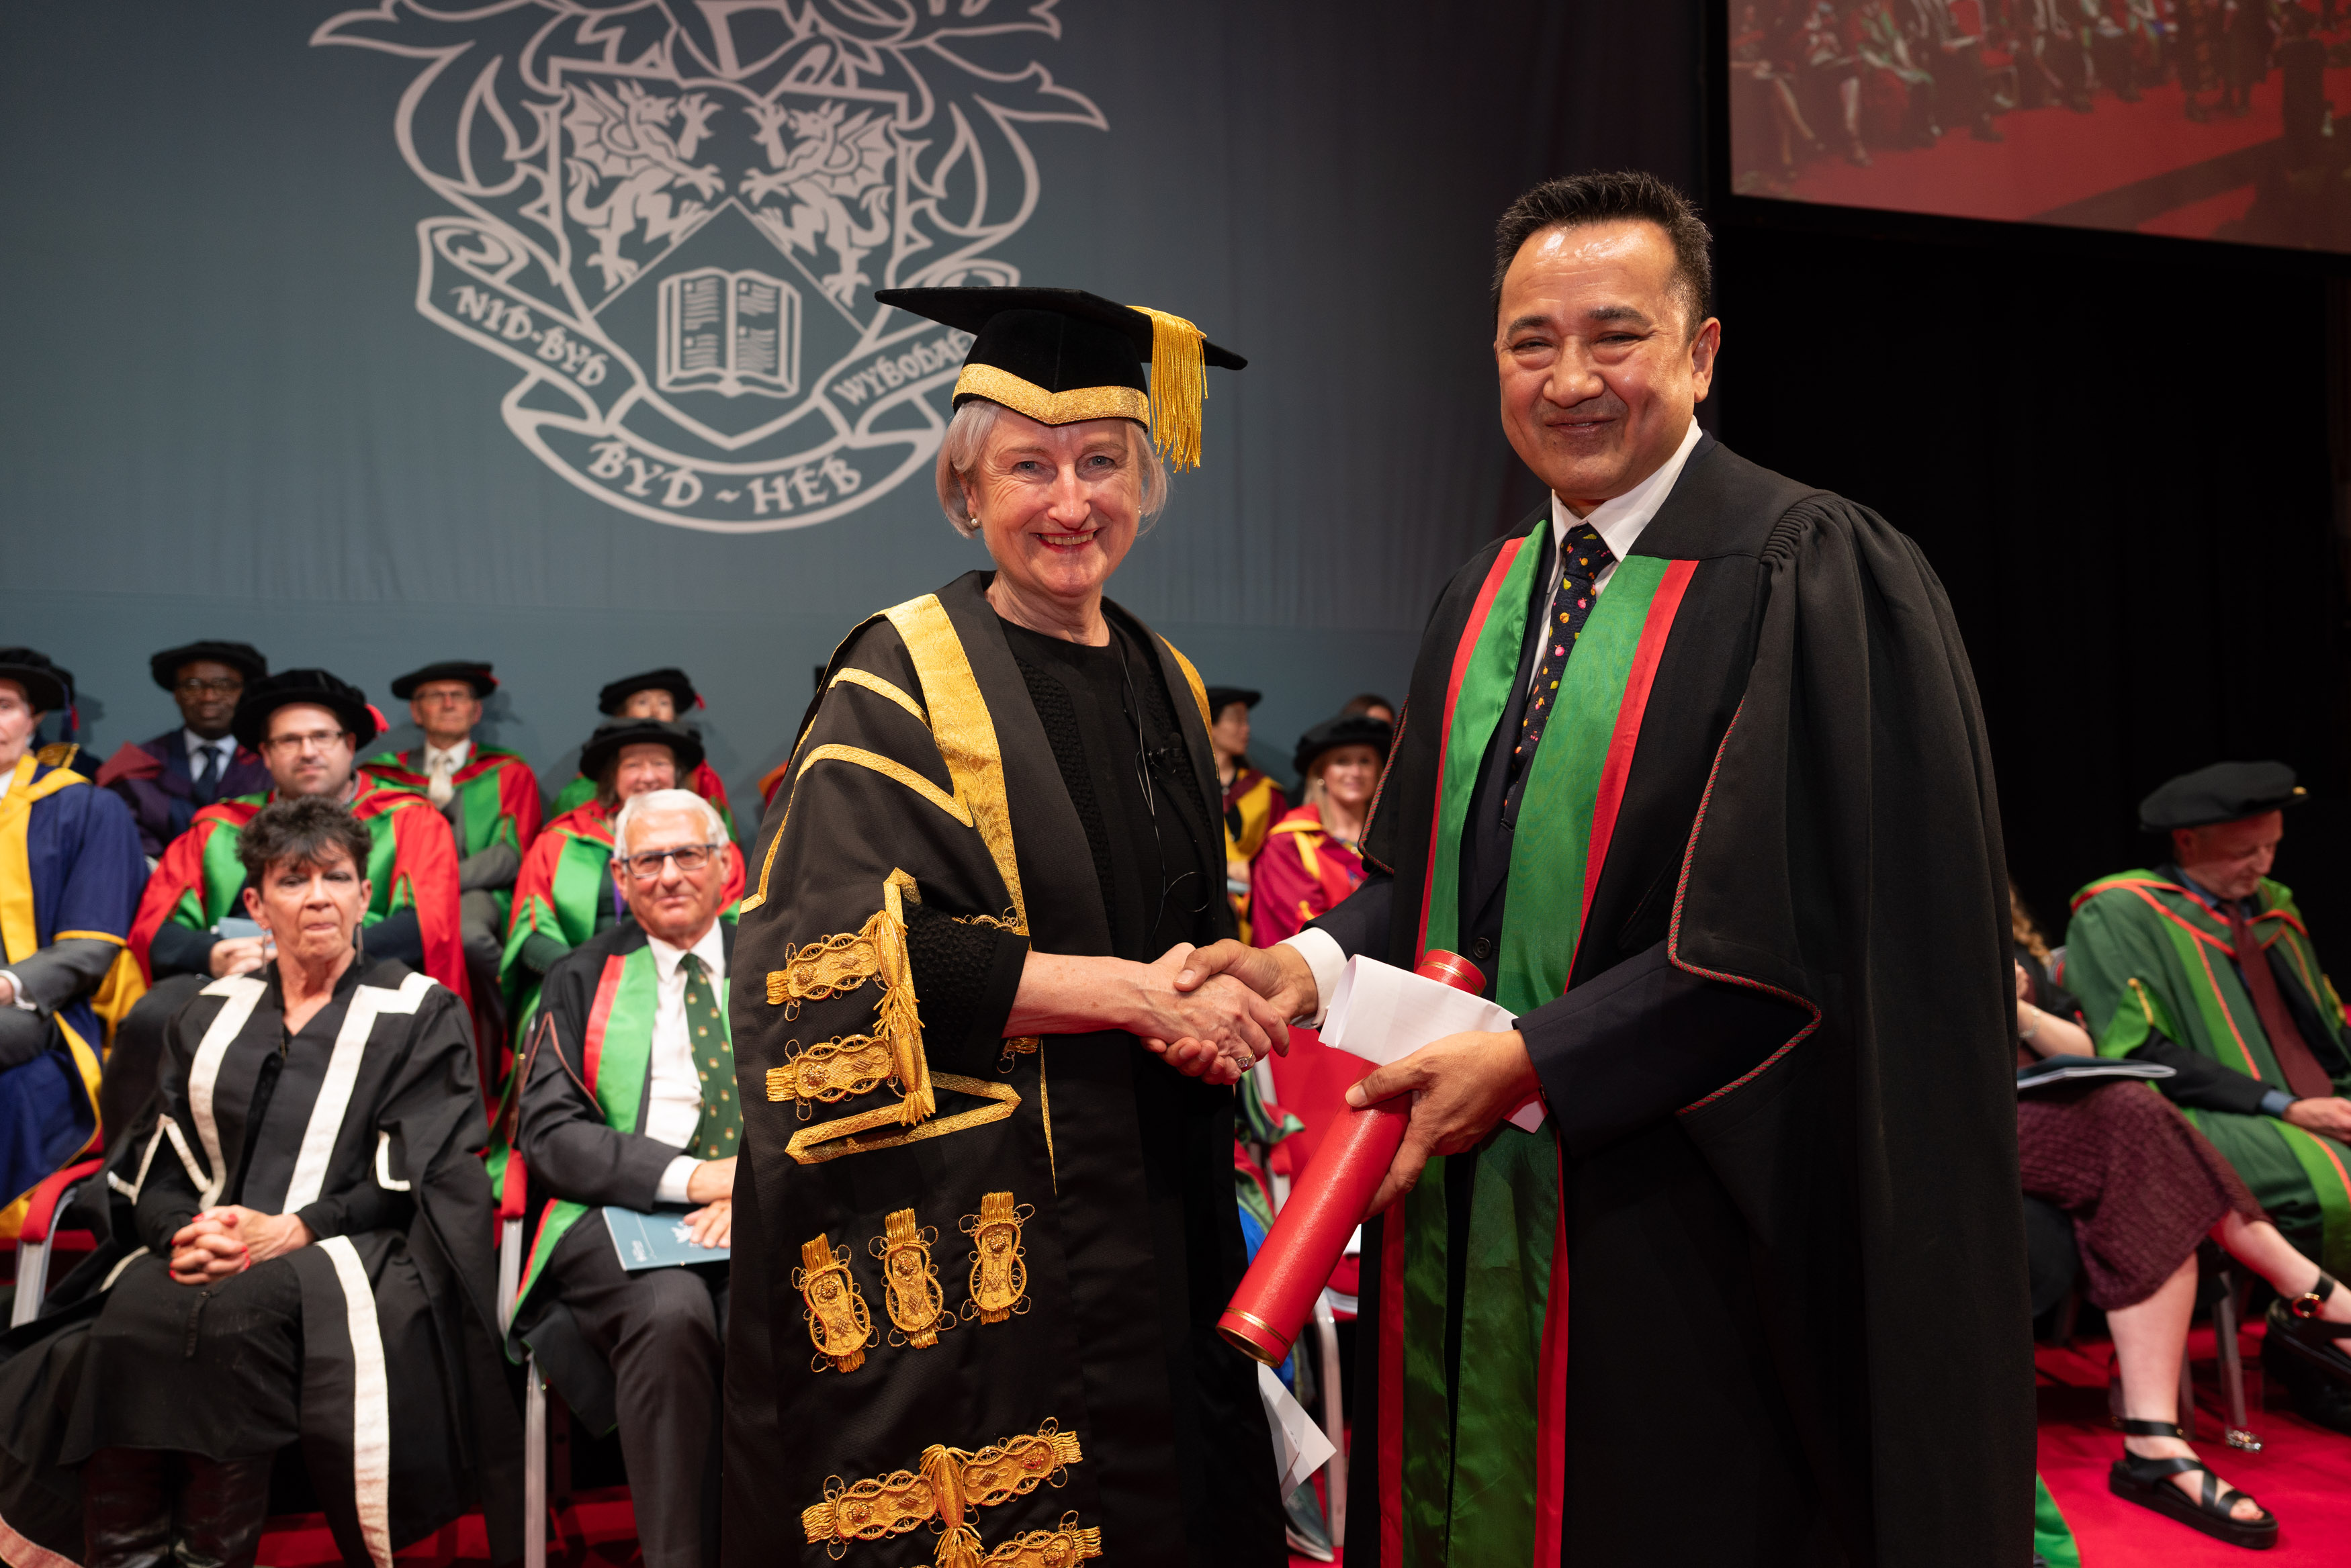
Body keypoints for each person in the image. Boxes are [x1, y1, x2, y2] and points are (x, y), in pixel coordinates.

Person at [1175, 173, 2029, 1563]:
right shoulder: (1487, 587)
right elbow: (1439, 878)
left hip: (1682, 1217)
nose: (1569, 378)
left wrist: (1535, 1064)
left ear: (1700, 352)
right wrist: (1307, 960)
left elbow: (1790, 936)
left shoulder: (1808, 570)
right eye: (1530, 341)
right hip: (1475, 1197)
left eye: (1614, 336)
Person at [724, 285, 1286, 1567]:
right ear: (966, 491)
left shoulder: (1166, 674)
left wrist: (1207, 1006)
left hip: (1165, 1195)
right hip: (995, 1230)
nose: (1070, 500)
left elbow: (1184, 939)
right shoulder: (898, 671)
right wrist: (1139, 998)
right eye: (1029, 466)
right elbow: (843, 968)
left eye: (1103, 464)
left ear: (1146, 485)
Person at [0, 796, 521, 1568]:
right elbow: (157, 1160)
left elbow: (423, 1173)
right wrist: (184, 1229)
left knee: (231, 1311)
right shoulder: (208, 1009)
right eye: (293, 879)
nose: (317, 896)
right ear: (255, 903)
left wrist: (294, 1228)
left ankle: (209, 1556)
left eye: (337, 877)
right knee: (135, 1311)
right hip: (208, 1238)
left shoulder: (416, 1011)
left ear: (364, 895)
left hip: (352, 1247)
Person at [2012, 892, 2345, 1547]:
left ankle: (2155, 1448)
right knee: (2132, 1118)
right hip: (1944, 1124)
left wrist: (2015, 1005)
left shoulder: (2003, 947)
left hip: (2039, 1111)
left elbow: (2079, 1044)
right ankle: (2320, 1301)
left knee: (2134, 1122)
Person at [2063, 760, 2351, 1433]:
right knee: (2330, 1180)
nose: (2260, 865)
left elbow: (2323, 1029)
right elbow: (2137, 1052)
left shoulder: (2272, 905)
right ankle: (2315, 1348)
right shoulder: (2116, 911)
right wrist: (2285, 1106)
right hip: (2200, 1112)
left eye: (2270, 846)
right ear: (2185, 841)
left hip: (2309, 1100)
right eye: (2241, 851)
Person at [510, 788, 739, 1568]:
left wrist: (756, 1186)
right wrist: (696, 1177)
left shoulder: (781, 959)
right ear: (619, 874)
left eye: (687, 855)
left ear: (724, 865)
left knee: (779, 1307)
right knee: (672, 1314)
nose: (669, 874)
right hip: (616, 1214)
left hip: (764, 1201)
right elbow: (549, 1134)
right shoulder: (579, 977)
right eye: (648, 860)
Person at [121, 670, 468, 1125]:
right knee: (153, 1016)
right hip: (238, 980)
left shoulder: (410, 820)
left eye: (322, 736)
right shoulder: (219, 826)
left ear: (349, 744)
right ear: (265, 753)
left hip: (365, 981)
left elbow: (427, 927)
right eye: (289, 740)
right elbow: (156, 930)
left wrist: (303, 955)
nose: (308, 751)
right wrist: (214, 954)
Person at [0, 648, 146, 1207]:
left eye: (5, 706)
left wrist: (9, 984)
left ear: (34, 718)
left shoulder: (86, 808)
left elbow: (90, 947)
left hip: (43, 1014)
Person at [502, 719, 739, 1030]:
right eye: (632, 765)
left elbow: (733, 923)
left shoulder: (711, 847)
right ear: (612, 776)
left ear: (678, 774)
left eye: (660, 763)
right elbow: (532, 932)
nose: (648, 776)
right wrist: (586, 979)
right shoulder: (558, 841)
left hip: (690, 980)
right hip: (582, 988)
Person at [361, 660, 543, 995]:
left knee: (469, 937)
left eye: (458, 695)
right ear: (417, 712)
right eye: (435, 696)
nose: (448, 703)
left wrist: (437, 886)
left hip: (475, 892)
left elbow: (508, 854)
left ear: (476, 711)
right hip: (394, 893)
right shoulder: (382, 775)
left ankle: (503, 1022)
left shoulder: (508, 772)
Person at [92, 640, 271, 860]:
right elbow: (125, 839)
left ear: (243, 692)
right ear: (176, 694)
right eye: (192, 685)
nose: (209, 697)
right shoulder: (137, 766)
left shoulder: (269, 763)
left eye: (224, 685)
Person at [1247, 715, 1389, 948]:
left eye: (1365, 761)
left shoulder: (1393, 843)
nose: (1355, 771)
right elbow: (1301, 928)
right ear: (1323, 773)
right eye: (1342, 761)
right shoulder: (1290, 843)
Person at [548, 669, 736, 835]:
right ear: (622, 715)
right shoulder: (585, 786)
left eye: (664, 703)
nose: (654, 712)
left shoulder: (703, 778)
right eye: (642, 702)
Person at [1209, 685, 1288, 938]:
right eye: (1236, 719)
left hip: (1255, 914)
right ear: (1209, 723)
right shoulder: (1182, 786)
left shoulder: (1266, 793)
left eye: (1247, 720)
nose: (1247, 728)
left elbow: (1282, 855)